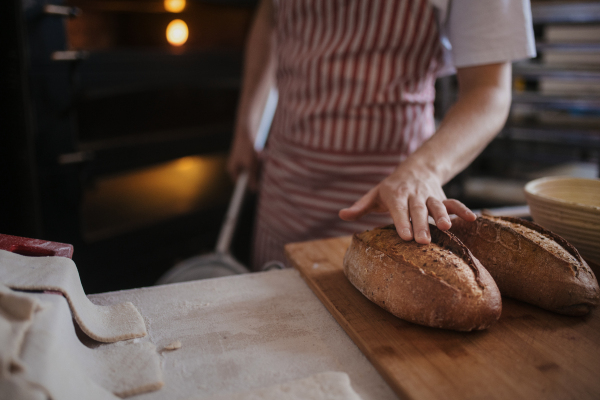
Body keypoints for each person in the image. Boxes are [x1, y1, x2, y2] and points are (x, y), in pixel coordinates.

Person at [227, 0, 536, 270]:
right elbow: (269, 17)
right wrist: (246, 126)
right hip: (285, 193)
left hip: (390, 203)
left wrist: (423, 171)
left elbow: (488, 91)